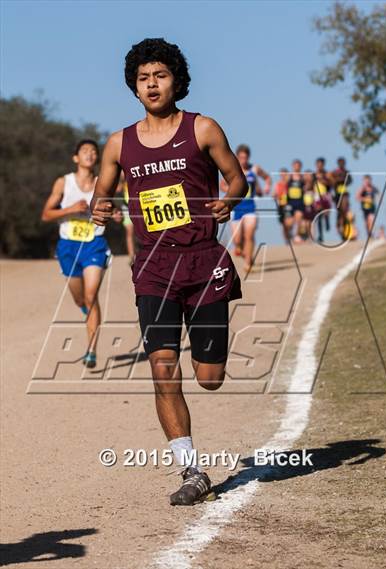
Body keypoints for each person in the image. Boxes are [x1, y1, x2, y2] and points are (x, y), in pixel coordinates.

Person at [90, 38, 248, 506]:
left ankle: (211, 350)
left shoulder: (203, 129)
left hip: (203, 263)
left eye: (159, 75)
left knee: (209, 377)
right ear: (133, 88)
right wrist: (101, 209)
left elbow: (238, 178)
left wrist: (229, 199)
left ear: (176, 79)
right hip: (154, 270)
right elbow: (103, 195)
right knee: (163, 370)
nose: (152, 84)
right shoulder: (120, 143)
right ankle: (191, 470)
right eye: (143, 78)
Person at [41, 140, 119, 368]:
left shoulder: (102, 182)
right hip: (68, 246)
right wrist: (70, 209)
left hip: (94, 243)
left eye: (94, 151)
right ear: (76, 158)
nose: (90, 154)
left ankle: (91, 350)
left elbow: (109, 207)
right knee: (80, 298)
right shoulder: (63, 182)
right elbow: (46, 214)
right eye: (85, 151)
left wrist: (112, 213)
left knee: (91, 295)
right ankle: (88, 311)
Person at [220, 144, 271, 272]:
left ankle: (248, 263)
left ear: (248, 157)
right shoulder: (233, 170)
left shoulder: (254, 169)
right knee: (237, 241)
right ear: (237, 157)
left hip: (250, 208)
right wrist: (231, 190)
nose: (243, 160)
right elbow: (222, 184)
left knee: (249, 235)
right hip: (236, 209)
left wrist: (267, 186)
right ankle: (244, 253)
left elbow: (267, 177)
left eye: (245, 157)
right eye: (241, 157)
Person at [329, 157, 353, 239]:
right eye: (340, 163)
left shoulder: (346, 172)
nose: (342, 164)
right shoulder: (334, 172)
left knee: (345, 210)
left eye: (343, 162)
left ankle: (344, 228)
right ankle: (339, 226)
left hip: (344, 193)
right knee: (339, 212)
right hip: (337, 194)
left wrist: (342, 180)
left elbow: (350, 181)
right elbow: (331, 183)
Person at [115, 171, 136, 264]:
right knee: (129, 232)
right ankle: (132, 256)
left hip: (138, 207)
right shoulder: (121, 184)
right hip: (126, 207)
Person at [285, 159, 305, 244]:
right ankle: (290, 235)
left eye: (298, 165)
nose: (297, 167)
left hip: (299, 201)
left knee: (299, 218)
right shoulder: (289, 177)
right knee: (289, 223)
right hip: (290, 202)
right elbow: (283, 186)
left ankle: (297, 236)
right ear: (293, 166)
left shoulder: (302, 177)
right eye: (295, 165)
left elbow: (306, 188)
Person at [313, 157, 332, 243]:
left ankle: (327, 220)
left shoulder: (327, 174)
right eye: (318, 164)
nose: (319, 166)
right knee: (319, 215)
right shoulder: (314, 174)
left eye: (321, 164)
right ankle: (320, 235)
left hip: (326, 194)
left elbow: (331, 183)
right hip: (317, 195)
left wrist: (322, 179)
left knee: (326, 212)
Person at [273, 167, 291, 242]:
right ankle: (287, 240)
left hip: (288, 204)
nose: (283, 175)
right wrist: (275, 196)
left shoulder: (289, 183)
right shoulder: (278, 184)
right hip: (280, 205)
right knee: (283, 225)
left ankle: (290, 236)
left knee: (289, 223)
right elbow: (274, 194)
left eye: (284, 174)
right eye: (281, 174)